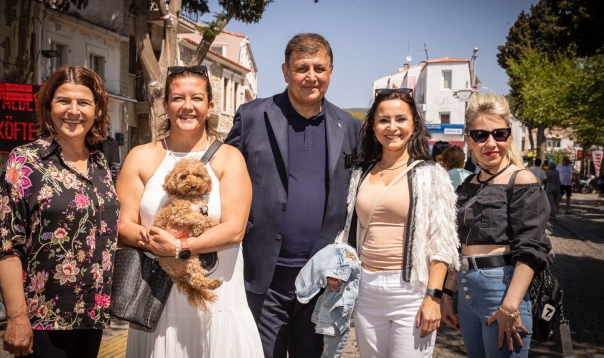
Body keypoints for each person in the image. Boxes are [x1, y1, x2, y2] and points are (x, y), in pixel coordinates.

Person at [224, 33, 361, 357]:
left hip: (321, 277)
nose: (311, 77)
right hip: (262, 277)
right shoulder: (253, 116)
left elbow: (358, 196)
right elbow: (221, 176)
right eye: (302, 68)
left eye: (319, 68)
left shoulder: (350, 127)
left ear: (330, 71)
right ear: (286, 71)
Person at [117, 65, 262, 357]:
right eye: (177, 98)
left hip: (219, 298)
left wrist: (181, 246)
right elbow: (121, 225)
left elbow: (235, 229)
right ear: (165, 106)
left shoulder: (230, 158)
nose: (187, 106)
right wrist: (155, 240)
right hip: (158, 298)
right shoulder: (140, 157)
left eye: (196, 98)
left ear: (210, 107)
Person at [0, 66, 120, 357]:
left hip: (93, 316)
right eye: (63, 101)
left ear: (97, 111)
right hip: (43, 318)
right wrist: (16, 318)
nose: (73, 111)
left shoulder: (101, 164)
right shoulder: (24, 161)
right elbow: (7, 246)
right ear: (48, 107)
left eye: (84, 103)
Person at [332, 88, 460, 357]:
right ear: (374, 127)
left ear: (414, 125)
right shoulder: (360, 171)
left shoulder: (431, 174)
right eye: (383, 120)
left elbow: (442, 242)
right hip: (366, 288)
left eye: (401, 119)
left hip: (411, 291)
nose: (392, 127)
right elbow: (347, 230)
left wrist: (433, 297)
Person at [441, 93, 552, 357]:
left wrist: (510, 306)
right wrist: (447, 295)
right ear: (468, 140)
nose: (491, 143)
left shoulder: (521, 179)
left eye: (499, 134)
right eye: (480, 135)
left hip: (502, 290)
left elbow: (531, 248)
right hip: (467, 293)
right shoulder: (467, 186)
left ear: (508, 136)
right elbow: (459, 246)